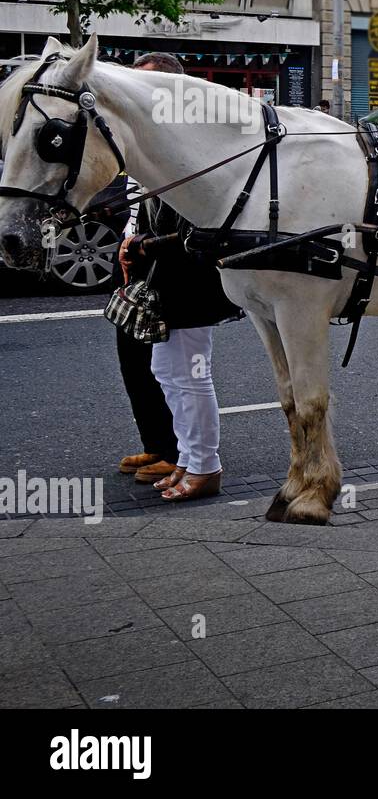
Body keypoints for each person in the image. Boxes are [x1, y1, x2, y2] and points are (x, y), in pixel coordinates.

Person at [118, 53, 242, 502]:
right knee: (168, 370)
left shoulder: (189, 143)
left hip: (190, 280)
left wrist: (143, 245)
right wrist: (136, 239)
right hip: (168, 275)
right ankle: (187, 459)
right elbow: (145, 204)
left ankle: (205, 467)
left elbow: (202, 223)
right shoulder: (162, 138)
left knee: (190, 373)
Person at [114, 53, 185, 485]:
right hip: (138, 263)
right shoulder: (142, 137)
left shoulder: (180, 141)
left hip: (169, 267)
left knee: (174, 368)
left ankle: (180, 452)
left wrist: (143, 244)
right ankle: (157, 443)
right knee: (135, 361)